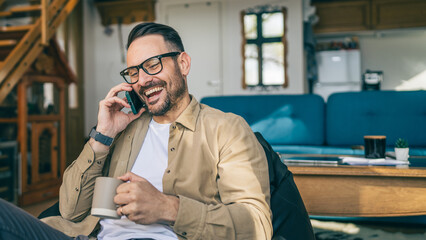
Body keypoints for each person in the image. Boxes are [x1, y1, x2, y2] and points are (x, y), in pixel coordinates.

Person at [0, 22, 272, 240]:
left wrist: (169, 208)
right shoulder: (124, 129)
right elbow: (70, 211)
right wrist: (102, 137)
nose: (142, 80)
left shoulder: (226, 129)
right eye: (133, 72)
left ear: (183, 63)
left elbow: (257, 225)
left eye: (153, 64)